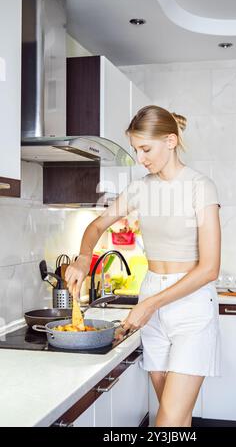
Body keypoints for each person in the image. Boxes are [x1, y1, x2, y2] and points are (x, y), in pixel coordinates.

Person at [65, 105, 221, 427]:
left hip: (190, 304)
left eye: (145, 149)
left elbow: (209, 268)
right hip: (152, 295)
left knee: (168, 421)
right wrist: (83, 259)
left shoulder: (200, 187)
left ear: (171, 141)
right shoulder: (140, 188)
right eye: (137, 150)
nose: (141, 158)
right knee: (173, 416)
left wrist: (149, 304)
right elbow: (96, 227)